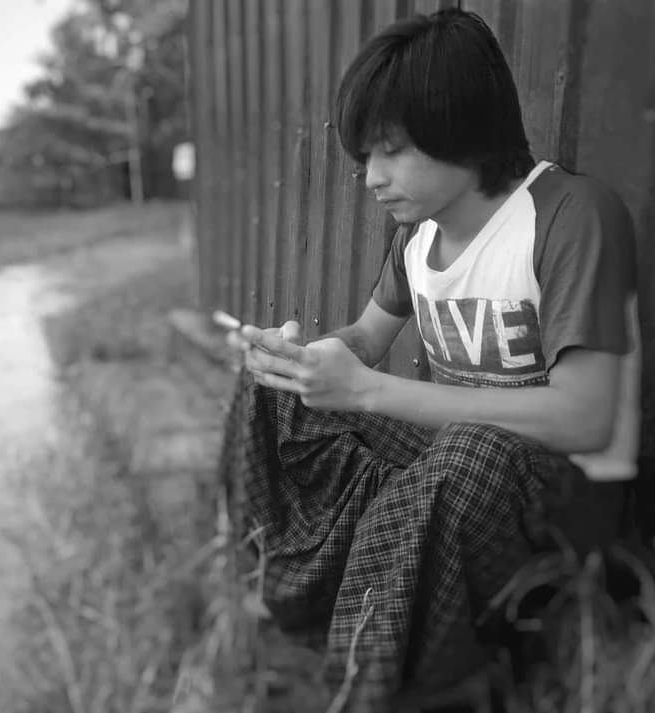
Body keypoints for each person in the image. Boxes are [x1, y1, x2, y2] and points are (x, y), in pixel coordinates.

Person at [220, 7, 640, 712]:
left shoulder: (569, 215)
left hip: (556, 499)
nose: (372, 177)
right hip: (454, 469)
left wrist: (369, 392)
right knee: (274, 390)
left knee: (469, 454)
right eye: (365, 157)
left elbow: (587, 418)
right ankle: (297, 600)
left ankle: (385, 682)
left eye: (392, 151)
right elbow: (365, 338)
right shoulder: (418, 236)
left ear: (462, 127)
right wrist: (302, 359)